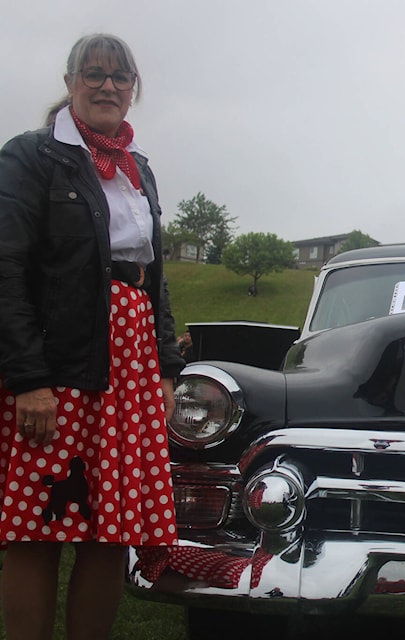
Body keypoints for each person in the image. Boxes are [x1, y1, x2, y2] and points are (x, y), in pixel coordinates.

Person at [0, 34, 182, 639]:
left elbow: (152, 279)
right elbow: (7, 268)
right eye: (94, 74)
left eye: (120, 78)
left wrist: (163, 368)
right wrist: (29, 380)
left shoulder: (139, 169)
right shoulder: (31, 156)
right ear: (71, 80)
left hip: (128, 367)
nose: (108, 86)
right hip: (60, 364)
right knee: (38, 526)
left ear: (134, 91)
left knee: (113, 527)